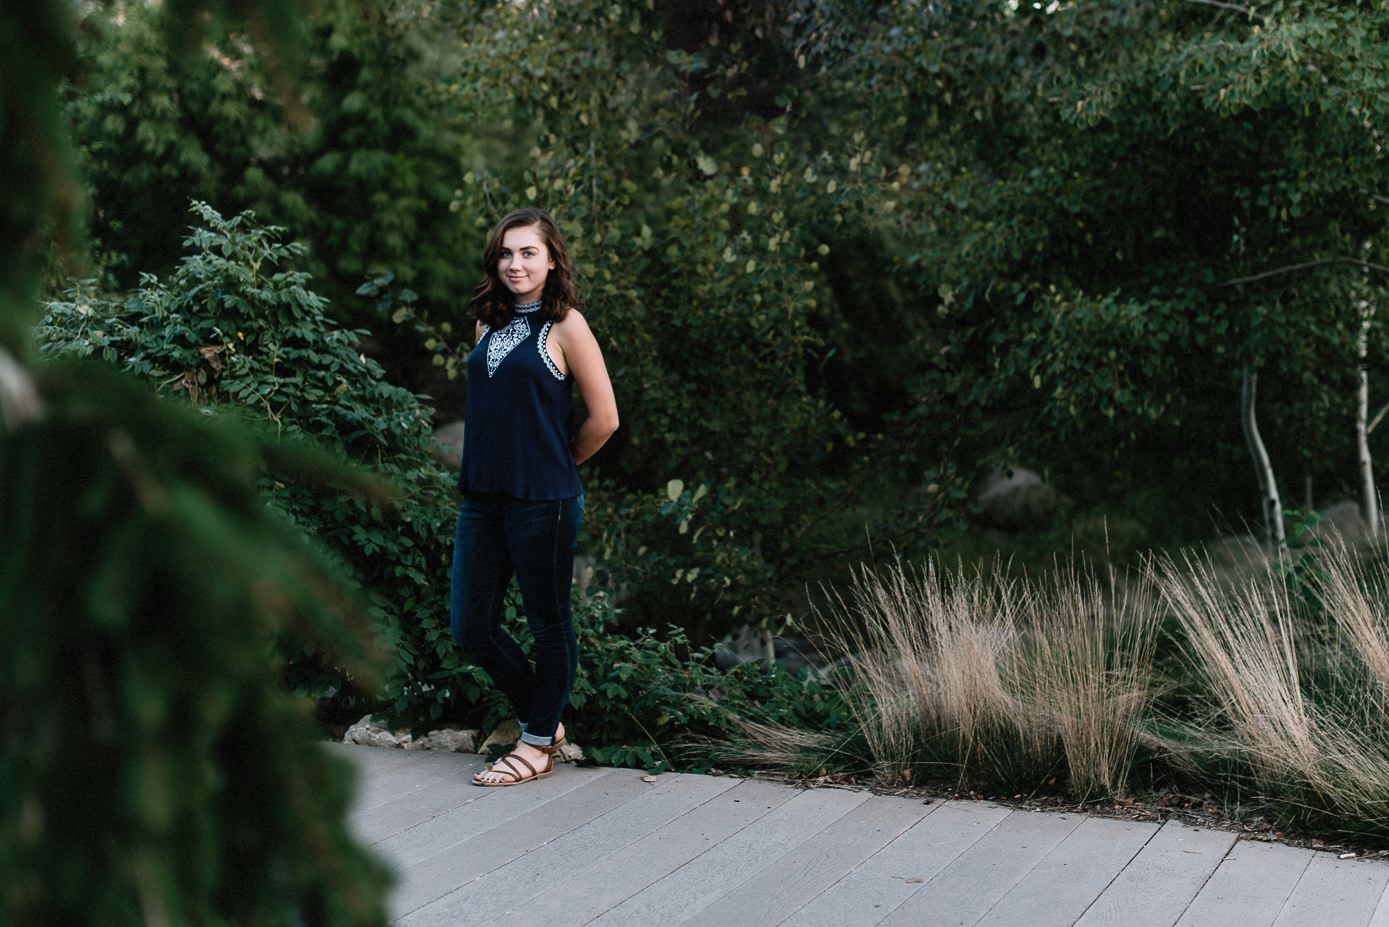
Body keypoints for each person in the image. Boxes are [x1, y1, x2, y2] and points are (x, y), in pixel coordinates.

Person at [450, 207, 618, 787]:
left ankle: (538, 743)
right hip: (483, 496)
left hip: (542, 498)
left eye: (528, 253)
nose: (515, 263)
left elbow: (605, 419)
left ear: (552, 259)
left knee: (549, 623)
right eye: (506, 253)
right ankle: (543, 719)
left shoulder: (567, 325)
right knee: (470, 625)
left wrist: (556, 464)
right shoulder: (486, 323)